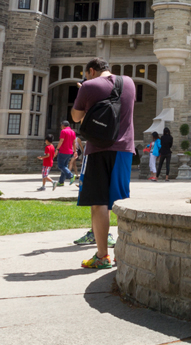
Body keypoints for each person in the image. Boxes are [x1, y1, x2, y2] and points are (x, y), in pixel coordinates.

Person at [71, 58, 135, 269]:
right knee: (121, 203)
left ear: (90, 71)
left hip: (98, 150)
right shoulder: (129, 83)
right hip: (124, 149)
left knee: (98, 203)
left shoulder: (89, 86)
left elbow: (76, 117)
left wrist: (84, 92)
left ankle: (102, 256)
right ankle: (125, 253)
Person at [56, 120, 77, 187]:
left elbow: (61, 140)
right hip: (70, 152)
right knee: (65, 166)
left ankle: (71, 175)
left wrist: (57, 149)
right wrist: (75, 151)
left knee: (60, 166)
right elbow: (74, 142)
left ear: (63, 125)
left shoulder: (63, 131)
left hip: (63, 151)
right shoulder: (73, 132)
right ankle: (61, 181)